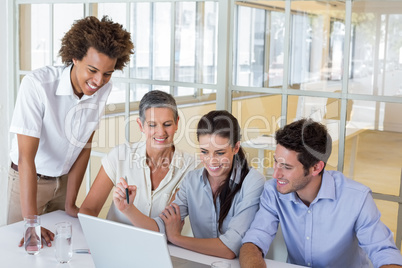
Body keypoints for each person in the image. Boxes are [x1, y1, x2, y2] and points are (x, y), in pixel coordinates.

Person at [7, 16, 134, 247]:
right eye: (93, 70)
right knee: (24, 251)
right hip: (28, 182)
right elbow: (26, 158)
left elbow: (85, 144)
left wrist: (70, 202)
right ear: (75, 57)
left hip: (64, 182)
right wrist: (30, 222)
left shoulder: (104, 89)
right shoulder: (37, 85)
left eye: (108, 73)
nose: (99, 81)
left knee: (61, 250)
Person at [239, 118, 402, 268]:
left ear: (316, 167)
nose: (275, 175)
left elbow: (384, 253)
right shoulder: (273, 191)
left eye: (287, 167)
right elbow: (254, 241)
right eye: (276, 161)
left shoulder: (356, 198)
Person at [113, 110, 265, 259]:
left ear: (236, 148)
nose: (211, 161)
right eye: (205, 152)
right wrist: (128, 209)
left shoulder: (253, 182)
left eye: (220, 153)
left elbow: (229, 248)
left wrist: (176, 238)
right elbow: (160, 229)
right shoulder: (191, 180)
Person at [79, 90, 196, 225]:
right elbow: (88, 209)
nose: (161, 132)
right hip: (115, 241)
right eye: (152, 125)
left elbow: (163, 227)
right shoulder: (119, 155)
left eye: (167, 124)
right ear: (141, 125)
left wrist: (128, 209)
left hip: (162, 245)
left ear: (176, 123)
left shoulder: (191, 168)